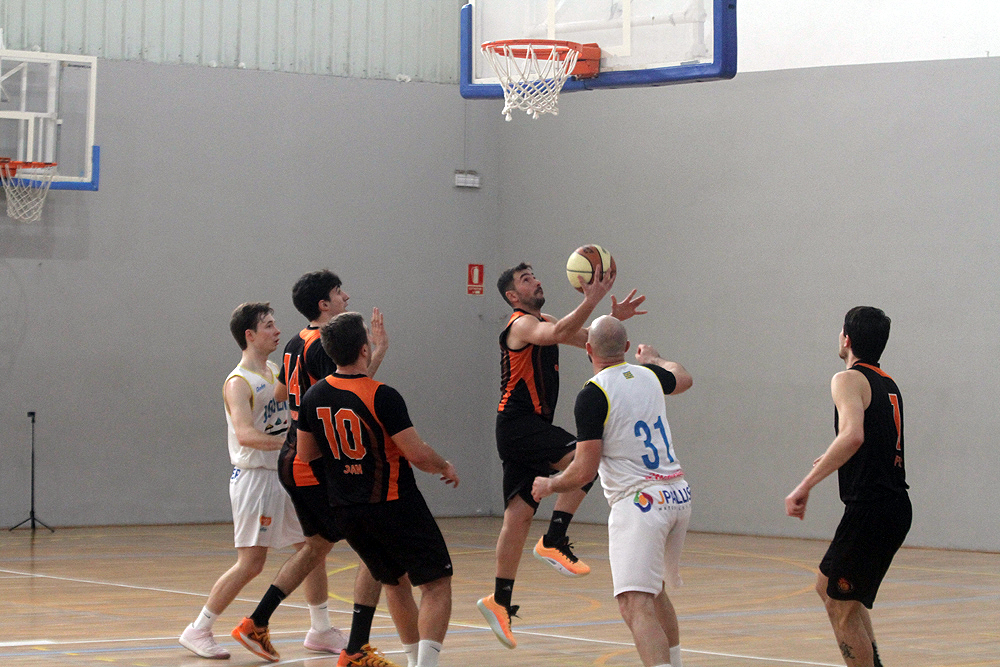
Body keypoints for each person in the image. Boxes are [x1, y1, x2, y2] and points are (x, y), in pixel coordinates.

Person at [230, 270, 421, 665]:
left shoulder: (295, 342)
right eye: (338, 292)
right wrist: (379, 351)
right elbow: (349, 392)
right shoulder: (321, 346)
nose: (346, 296)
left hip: (293, 457)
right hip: (315, 460)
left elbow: (281, 391)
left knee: (317, 545)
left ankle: (257, 622)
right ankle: (355, 649)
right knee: (374, 545)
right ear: (323, 304)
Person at [478, 262, 647, 649]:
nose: (536, 281)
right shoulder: (521, 324)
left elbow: (589, 340)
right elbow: (554, 334)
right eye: (526, 280)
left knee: (518, 516)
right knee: (588, 460)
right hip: (519, 424)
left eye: (534, 276)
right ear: (513, 296)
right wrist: (592, 300)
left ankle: (499, 600)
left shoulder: (548, 320)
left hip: (525, 428)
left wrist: (611, 321)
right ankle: (554, 537)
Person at [296, 311, 459, 667]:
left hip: (347, 509)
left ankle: (414, 661)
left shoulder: (313, 396)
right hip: (393, 502)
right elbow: (417, 454)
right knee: (436, 584)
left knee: (395, 583)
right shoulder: (382, 395)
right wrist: (444, 465)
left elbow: (306, 454)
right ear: (364, 349)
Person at [532, 315, 693, 667]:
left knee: (634, 603)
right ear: (626, 347)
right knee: (654, 592)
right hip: (677, 495)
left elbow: (584, 470)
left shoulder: (593, 394)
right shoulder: (649, 375)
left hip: (640, 504)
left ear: (588, 349)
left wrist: (550, 484)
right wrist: (654, 359)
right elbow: (683, 376)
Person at [180, 302, 326, 659]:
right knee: (251, 563)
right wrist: (292, 444)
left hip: (282, 475)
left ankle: (321, 629)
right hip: (255, 479)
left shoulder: (274, 370)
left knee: (312, 549)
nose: (277, 331)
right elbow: (245, 435)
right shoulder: (237, 382)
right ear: (250, 334)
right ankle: (198, 629)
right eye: (269, 325)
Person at [785, 306, 911, 667]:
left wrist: (805, 485)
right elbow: (867, 441)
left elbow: (853, 435)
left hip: (873, 508)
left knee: (840, 605)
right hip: (891, 506)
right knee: (829, 587)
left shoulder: (847, 379)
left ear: (847, 339)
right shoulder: (887, 383)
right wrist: (830, 457)